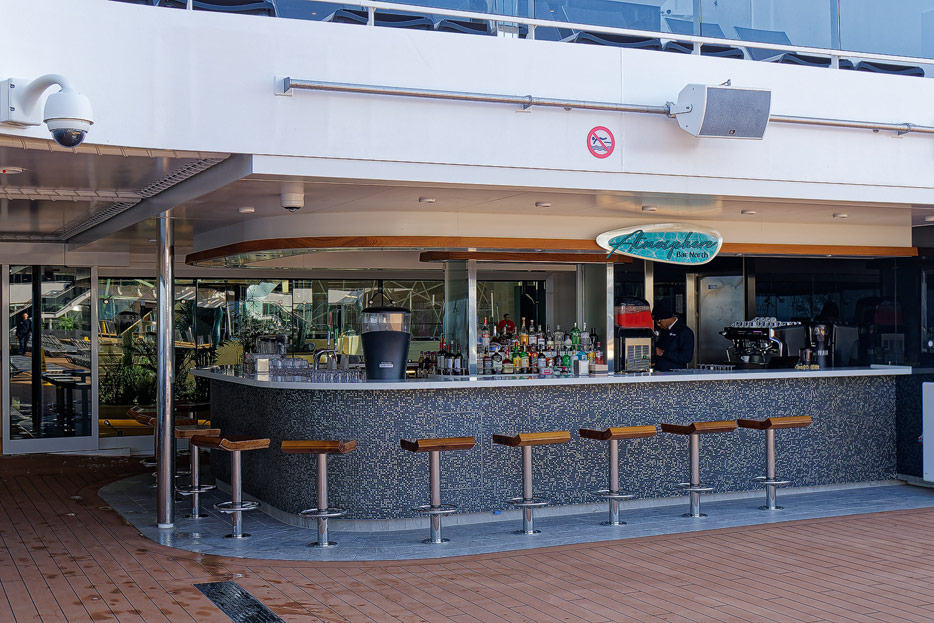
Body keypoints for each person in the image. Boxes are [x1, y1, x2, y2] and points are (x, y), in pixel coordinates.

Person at [652, 304, 694, 371]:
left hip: (675, 373)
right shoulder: (663, 330)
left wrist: (664, 353)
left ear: (667, 318)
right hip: (659, 371)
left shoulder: (684, 332)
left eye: (659, 322)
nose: (658, 325)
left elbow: (686, 357)